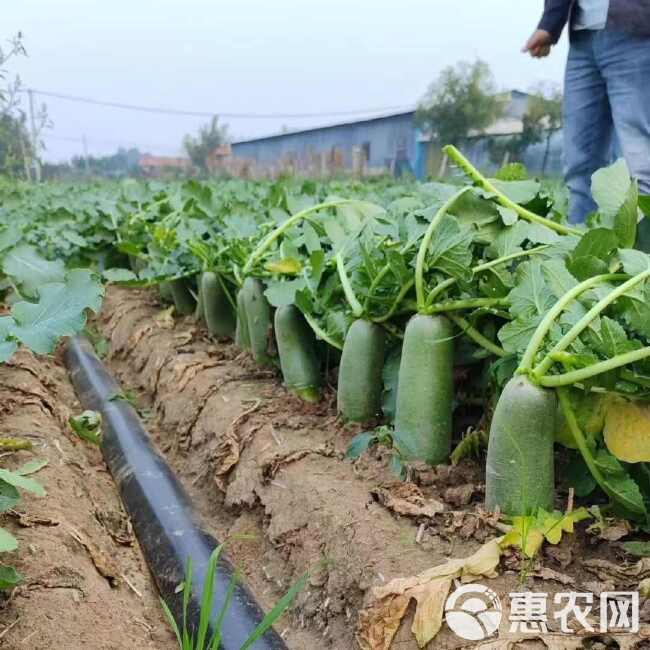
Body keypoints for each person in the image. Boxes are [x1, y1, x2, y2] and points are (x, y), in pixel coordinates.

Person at [523, 1, 650, 224]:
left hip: (636, 30)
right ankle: (583, 246)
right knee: (580, 164)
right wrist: (549, 24)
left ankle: (643, 252)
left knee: (640, 161)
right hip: (583, 38)